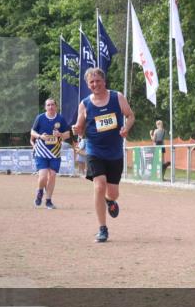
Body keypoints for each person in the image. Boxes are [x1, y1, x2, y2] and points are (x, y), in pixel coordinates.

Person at [72, 68, 135, 243]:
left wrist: (126, 128)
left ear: (104, 81)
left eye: (97, 81)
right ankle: (102, 229)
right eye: (91, 82)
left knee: (113, 192)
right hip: (95, 151)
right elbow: (80, 128)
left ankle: (110, 201)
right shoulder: (85, 104)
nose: (95, 84)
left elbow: (130, 116)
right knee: (99, 186)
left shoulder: (117, 97)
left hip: (114, 152)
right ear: (88, 85)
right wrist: (77, 129)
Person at [30, 98, 71, 209]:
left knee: (52, 176)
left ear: (56, 106)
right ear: (45, 107)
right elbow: (32, 132)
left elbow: (68, 134)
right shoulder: (40, 118)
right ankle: (39, 192)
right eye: (48, 105)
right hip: (41, 151)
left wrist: (60, 135)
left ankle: (48, 201)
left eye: (52, 105)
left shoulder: (60, 118)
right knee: (43, 176)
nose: (50, 107)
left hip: (55, 152)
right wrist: (40, 136)